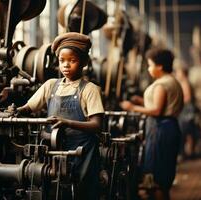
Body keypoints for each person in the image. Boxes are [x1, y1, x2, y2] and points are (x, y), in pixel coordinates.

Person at [9, 32, 104, 200]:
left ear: (83, 63)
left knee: (82, 192)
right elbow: (28, 108)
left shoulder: (90, 89)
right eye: (62, 61)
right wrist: (16, 110)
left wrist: (67, 122)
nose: (66, 65)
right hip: (53, 150)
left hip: (83, 153)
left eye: (72, 60)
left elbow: (97, 125)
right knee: (53, 190)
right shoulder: (51, 85)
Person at [120, 48, 183, 200]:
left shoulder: (162, 84)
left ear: (159, 66)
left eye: (150, 65)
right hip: (169, 127)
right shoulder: (172, 81)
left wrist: (132, 107)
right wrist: (141, 101)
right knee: (163, 174)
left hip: (160, 129)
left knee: (157, 179)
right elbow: (162, 105)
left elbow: (156, 110)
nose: (149, 69)